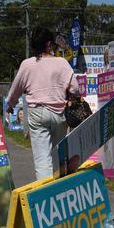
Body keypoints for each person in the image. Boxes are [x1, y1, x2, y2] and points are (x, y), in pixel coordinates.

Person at [6, 27, 78, 179]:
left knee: (42, 159)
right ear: (49, 44)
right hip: (60, 113)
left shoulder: (27, 64)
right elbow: (75, 88)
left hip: (37, 113)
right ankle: (60, 189)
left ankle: (46, 196)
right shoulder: (62, 63)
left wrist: (10, 105)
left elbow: (16, 89)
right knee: (58, 156)